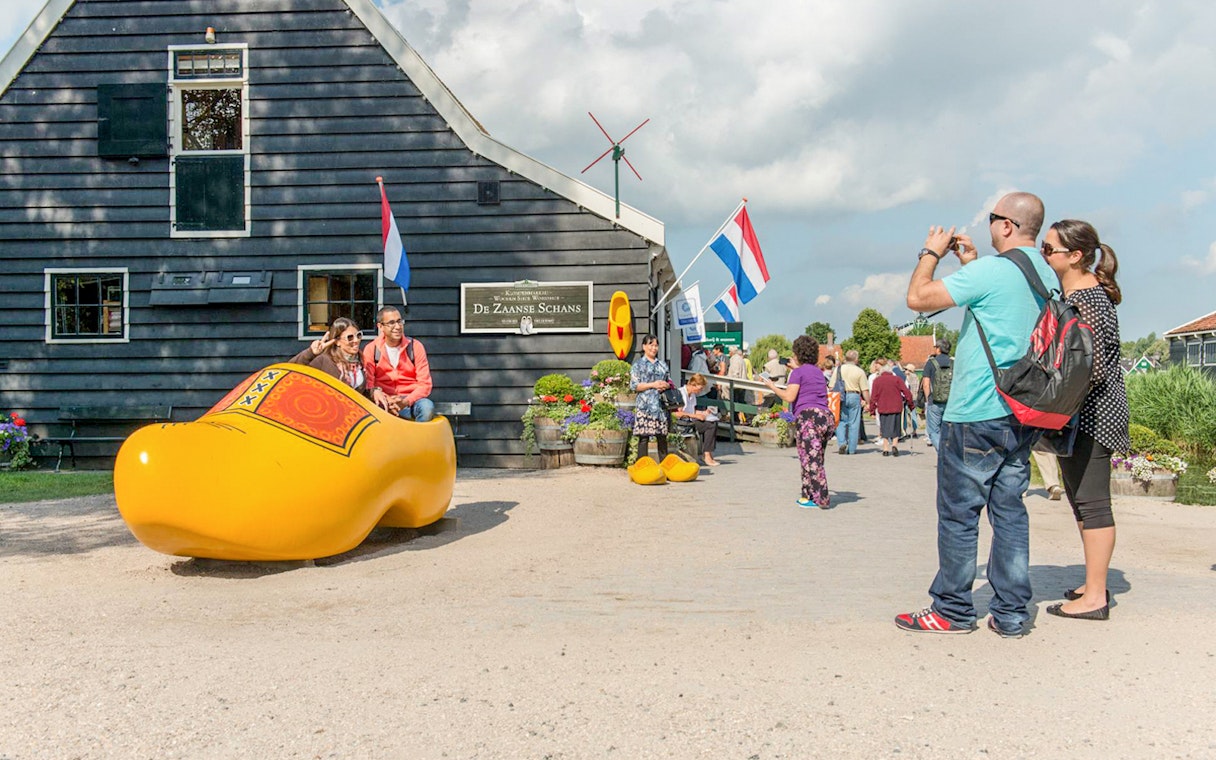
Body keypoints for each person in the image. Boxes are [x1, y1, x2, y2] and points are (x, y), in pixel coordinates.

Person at [895, 191, 1057, 638]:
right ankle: (1010, 614)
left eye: (992, 218)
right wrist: (970, 262)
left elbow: (917, 298)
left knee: (960, 514)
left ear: (1006, 225)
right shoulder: (1046, 274)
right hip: (1022, 410)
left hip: (976, 410)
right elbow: (1003, 314)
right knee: (1009, 510)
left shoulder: (993, 270)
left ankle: (951, 609)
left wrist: (931, 251)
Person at [1039, 219, 1130, 621]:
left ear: (1075, 256)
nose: (1044, 255)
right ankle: (1093, 582)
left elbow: (1084, 366)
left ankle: (1095, 596)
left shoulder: (1088, 299)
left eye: (1049, 249)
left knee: (1092, 505)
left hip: (1091, 413)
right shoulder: (1080, 294)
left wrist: (1046, 396)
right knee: (1080, 501)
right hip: (1081, 412)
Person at [761, 335, 836, 508]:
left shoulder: (797, 373)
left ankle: (821, 498)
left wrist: (771, 386)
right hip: (825, 416)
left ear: (797, 354)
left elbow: (789, 396)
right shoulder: (817, 371)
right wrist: (796, 367)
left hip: (808, 417)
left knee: (808, 459)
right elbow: (808, 378)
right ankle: (808, 494)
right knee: (816, 457)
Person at [363, 306, 434, 422]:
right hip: (382, 402)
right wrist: (385, 398)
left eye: (399, 321)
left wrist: (405, 401)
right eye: (391, 323)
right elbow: (369, 384)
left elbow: (425, 385)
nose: (397, 326)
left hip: (411, 401)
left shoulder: (415, 347)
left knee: (427, 408)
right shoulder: (372, 349)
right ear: (380, 327)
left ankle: (418, 439)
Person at [289, 317, 367, 393]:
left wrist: (374, 390)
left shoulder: (360, 361)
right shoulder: (325, 361)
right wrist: (310, 352)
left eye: (358, 335)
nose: (356, 340)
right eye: (350, 337)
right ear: (337, 342)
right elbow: (291, 369)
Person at [630, 334, 672, 462]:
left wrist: (664, 385)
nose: (654, 348)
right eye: (651, 345)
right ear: (644, 346)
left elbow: (669, 381)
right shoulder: (638, 365)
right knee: (644, 437)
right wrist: (653, 385)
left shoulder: (662, 364)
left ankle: (665, 465)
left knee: (662, 436)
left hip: (660, 406)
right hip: (645, 405)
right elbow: (635, 385)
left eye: (656, 345)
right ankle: (642, 465)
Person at [673, 373, 720, 466]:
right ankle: (706, 455)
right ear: (693, 384)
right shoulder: (680, 393)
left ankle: (708, 454)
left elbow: (693, 411)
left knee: (713, 422)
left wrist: (705, 413)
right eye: (699, 388)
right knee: (710, 425)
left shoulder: (692, 395)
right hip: (682, 423)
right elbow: (677, 413)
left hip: (690, 420)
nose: (700, 391)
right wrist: (696, 416)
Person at [868, 362, 914, 457]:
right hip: (896, 406)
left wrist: (872, 410)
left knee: (884, 427)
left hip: (883, 407)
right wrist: (911, 404)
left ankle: (885, 448)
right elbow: (907, 392)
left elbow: (873, 397)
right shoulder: (897, 379)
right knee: (896, 426)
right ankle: (894, 445)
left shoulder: (877, 381)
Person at [829, 350, 869, 455]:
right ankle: (851, 449)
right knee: (854, 423)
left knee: (841, 421)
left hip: (840, 396)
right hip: (854, 395)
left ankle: (842, 442)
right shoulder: (859, 371)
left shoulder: (838, 369)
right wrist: (868, 402)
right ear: (856, 359)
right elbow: (865, 390)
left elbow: (831, 386)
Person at [921, 339, 952, 448]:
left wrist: (927, 398)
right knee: (949, 430)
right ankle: (949, 453)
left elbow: (926, 383)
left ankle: (942, 454)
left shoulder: (931, 362)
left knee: (933, 431)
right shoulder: (953, 362)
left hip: (934, 401)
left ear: (938, 348)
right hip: (951, 401)